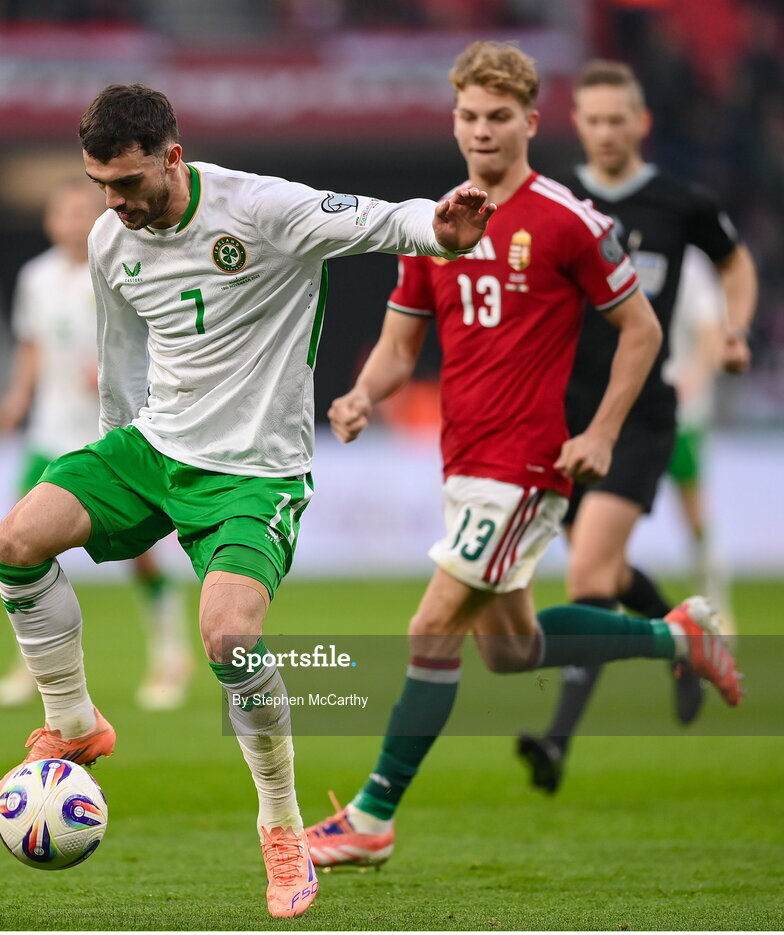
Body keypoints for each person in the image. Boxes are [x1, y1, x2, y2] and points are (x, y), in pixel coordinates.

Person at [0, 83, 495, 919]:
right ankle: (73, 720)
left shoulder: (259, 209)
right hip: (153, 447)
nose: (113, 203)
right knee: (16, 539)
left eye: (127, 183)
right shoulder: (111, 239)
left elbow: (375, 220)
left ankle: (282, 825)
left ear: (172, 158)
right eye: (99, 184)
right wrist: (104, 467)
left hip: (255, 472)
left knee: (229, 636)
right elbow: (122, 360)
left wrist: (439, 232)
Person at [303, 41, 741, 870]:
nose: (482, 131)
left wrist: (601, 431)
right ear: (454, 121)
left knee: (432, 626)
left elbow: (642, 330)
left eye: (498, 117)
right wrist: (363, 394)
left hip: (528, 464)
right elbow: (399, 347)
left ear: (531, 122)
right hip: (464, 462)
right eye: (469, 116)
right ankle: (677, 635)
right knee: (512, 650)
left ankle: (372, 815)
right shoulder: (432, 225)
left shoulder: (571, 221)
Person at [516, 61, 758, 794]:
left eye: (617, 119)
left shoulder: (682, 202)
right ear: (578, 124)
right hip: (562, 413)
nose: (605, 132)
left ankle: (555, 739)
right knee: (611, 573)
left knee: (589, 575)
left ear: (641, 122)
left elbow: (736, 264)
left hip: (640, 413)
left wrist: (734, 330)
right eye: (592, 120)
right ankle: (683, 640)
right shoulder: (554, 197)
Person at [0, 179, 192, 712]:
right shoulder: (36, 278)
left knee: (140, 555)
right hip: (48, 432)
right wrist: (18, 396)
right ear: (50, 221)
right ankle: (31, 664)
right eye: (64, 213)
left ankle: (170, 654)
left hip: (108, 431)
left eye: (83, 212)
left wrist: (115, 374)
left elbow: (154, 335)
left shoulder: (122, 263)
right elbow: (31, 344)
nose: (73, 222)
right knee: (18, 543)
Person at [665, 246, 734, 630]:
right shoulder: (614, 241)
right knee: (612, 510)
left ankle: (716, 604)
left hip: (680, 412)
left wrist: (693, 381)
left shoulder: (688, 263)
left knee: (692, 508)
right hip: (630, 406)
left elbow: (711, 330)